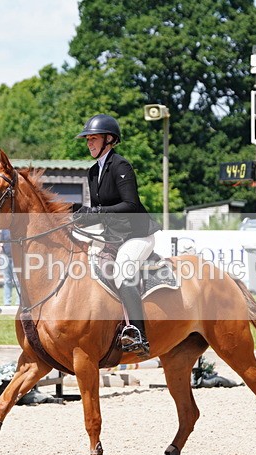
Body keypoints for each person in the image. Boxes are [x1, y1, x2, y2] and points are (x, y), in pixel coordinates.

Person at [73, 113, 161, 358]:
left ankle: (138, 333)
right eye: (87, 139)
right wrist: (75, 215)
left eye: (93, 138)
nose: (89, 143)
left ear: (109, 139)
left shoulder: (120, 166)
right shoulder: (93, 172)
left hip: (137, 235)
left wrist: (96, 211)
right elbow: (99, 214)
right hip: (113, 235)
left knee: (123, 270)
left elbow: (131, 205)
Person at [0, 228, 17, 305]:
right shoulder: (4, 230)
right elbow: (0, 243)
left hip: (16, 257)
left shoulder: (17, 229)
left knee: (17, 281)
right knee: (7, 280)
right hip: (5, 257)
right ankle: (7, 301)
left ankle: (19, 302)